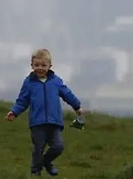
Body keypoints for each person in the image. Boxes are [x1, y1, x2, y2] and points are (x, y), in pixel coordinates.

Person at [5, 48, 83, 177]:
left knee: (58, 147)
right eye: (36, 65)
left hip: (54, 122)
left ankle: (46, 162)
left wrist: (77, 106)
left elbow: (67, 94)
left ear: (50, 66)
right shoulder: (29, 83)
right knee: (38, 149)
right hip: (37, 123)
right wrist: (14, 112)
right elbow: (22, 101)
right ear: (31, 65)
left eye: (43, 65)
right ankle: (35, 172)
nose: (40, 68)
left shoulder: (56, 81)